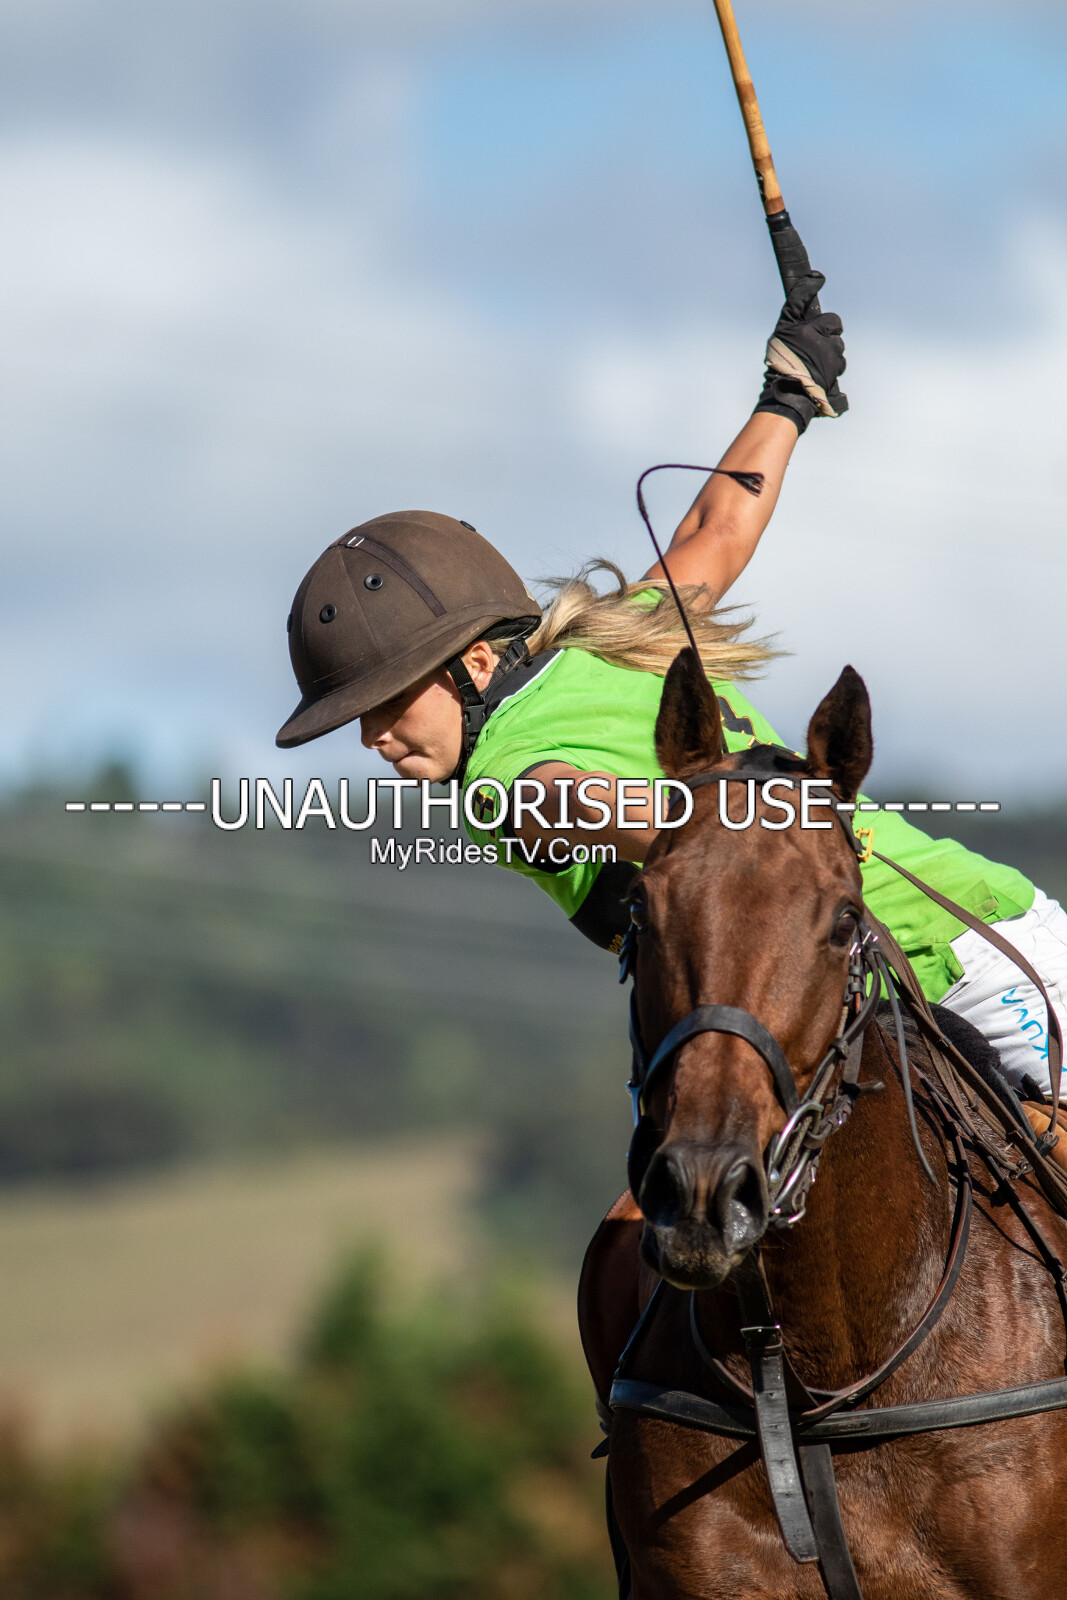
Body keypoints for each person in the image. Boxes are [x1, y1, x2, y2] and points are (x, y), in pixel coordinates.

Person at [276, 277, 1066, 1096]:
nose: (371, 736)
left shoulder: (506, 783)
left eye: (387, 702)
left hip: (964, 954)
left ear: (474, 665)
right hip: (820, 1018)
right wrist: (786, 398)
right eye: (355, 717)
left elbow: (580, 803)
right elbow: (714, 529)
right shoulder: (616, 638)